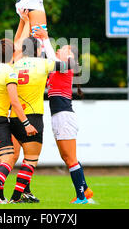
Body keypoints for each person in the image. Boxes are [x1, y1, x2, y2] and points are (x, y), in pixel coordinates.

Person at [8, 30, 75, 203]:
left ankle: (5, 191)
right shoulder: (42, 64)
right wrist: (45, 40)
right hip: (33, 116)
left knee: (14, 157)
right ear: (38, 51)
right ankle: (16, 197)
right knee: (31, 160)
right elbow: (66, 65)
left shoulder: (15, 65)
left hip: (15, 116)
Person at [34, 27, 94, 204]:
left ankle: (81, 197)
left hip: (64, 117)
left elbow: (52, 57)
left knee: (70, 159)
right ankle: (85, 189)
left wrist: (45, 38)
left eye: (65, 48)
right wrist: (39, 40)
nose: (60, 49)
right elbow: (45, 57)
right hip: (60, 117)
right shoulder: (56, 68)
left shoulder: (67, 65)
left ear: (71, 56)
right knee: (68, 158)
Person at [0, 26, 37, 204]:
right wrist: (27, 123)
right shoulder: (9, 71)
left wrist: (23, 22)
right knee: (8, 157)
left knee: (7, 154)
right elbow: (14, 102)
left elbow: (14, 46)